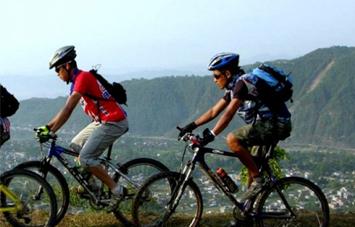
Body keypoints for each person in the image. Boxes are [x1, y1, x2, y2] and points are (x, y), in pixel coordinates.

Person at [179, 52, 291, 202]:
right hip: (266, 124)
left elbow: (228, 113)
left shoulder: (243, 84)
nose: (214, 80)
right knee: (253, 167)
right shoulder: (234, 87)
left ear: (227, 73)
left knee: (232, 139)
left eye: (216, 76)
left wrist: (212, 135)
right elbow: (214, 111)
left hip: (276, 124)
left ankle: (259, 181)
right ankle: (248, 212)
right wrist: (190, 126)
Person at [36, 45, 128, 203]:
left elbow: (69, 108)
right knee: (75, 146)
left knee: (85, 158)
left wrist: (52, 131)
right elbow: (64, 109)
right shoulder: (75, 82)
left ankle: (117, 190)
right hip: (101, 121)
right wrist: (48, 126)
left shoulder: (83, 78)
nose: (57, 74)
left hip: (114, 121)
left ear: (67, 65)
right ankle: (93, 185)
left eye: (58, 70)